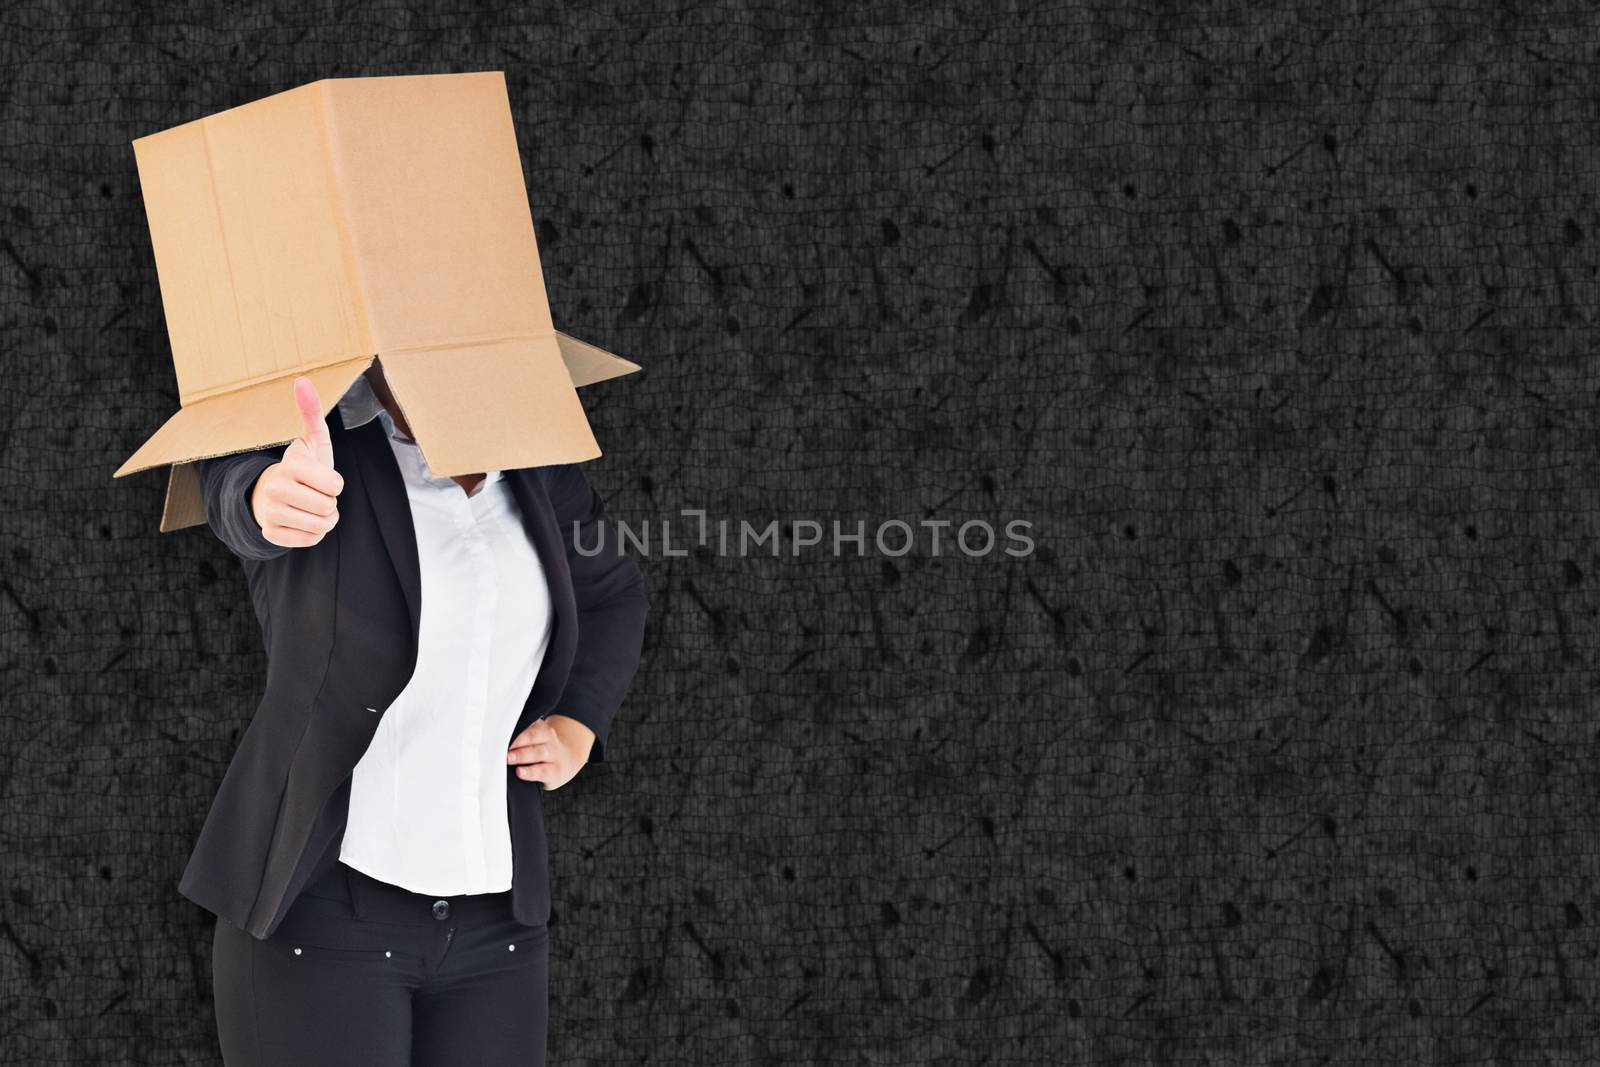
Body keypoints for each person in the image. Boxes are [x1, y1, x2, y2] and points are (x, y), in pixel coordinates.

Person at [190, 362, 648, 1066]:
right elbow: (233, 489)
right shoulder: (313, 444)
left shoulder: (534, 463)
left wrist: (577, 723)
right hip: (320, 919)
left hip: (498, 932)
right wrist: (264, 495)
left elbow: (613, 592)